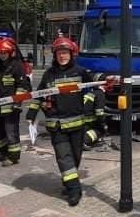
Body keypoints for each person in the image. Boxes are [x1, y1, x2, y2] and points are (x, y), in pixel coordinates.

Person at [26, 37, 93, 206]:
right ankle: (74, 191)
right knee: (64, 158)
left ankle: (69, 181)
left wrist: (86, 105)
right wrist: (32, 113)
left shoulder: (80, 72)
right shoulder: (49, 74)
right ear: (55, 55)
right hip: (56, 125)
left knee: (75, 158)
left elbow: (93, 89)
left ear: (71, 54)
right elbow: (38, 95)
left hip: (77, 123)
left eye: (65, 53)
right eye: (59, 53)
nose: (62, 56)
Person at [0, 39, 29, 166]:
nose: (3, 55)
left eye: (5, 52)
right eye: (0, 53)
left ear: (10, 53)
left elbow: (23, 86)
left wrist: (17, 102)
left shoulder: (17, 67)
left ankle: (13, 157)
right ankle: (4, 152)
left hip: (11, 108)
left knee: (11, 132)